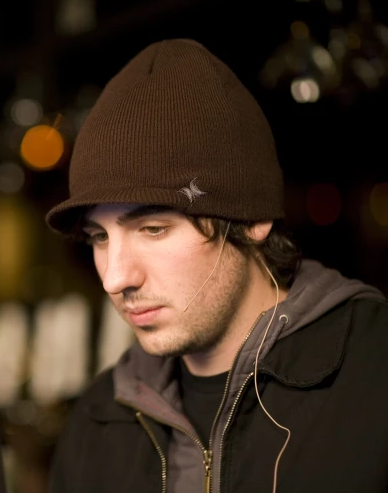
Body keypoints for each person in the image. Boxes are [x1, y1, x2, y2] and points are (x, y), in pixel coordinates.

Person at [44, 39, 388, 493]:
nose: (115, 278)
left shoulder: (373, 374)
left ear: (251, 218)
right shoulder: (99, 418)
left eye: (153, 229)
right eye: (99, 237)